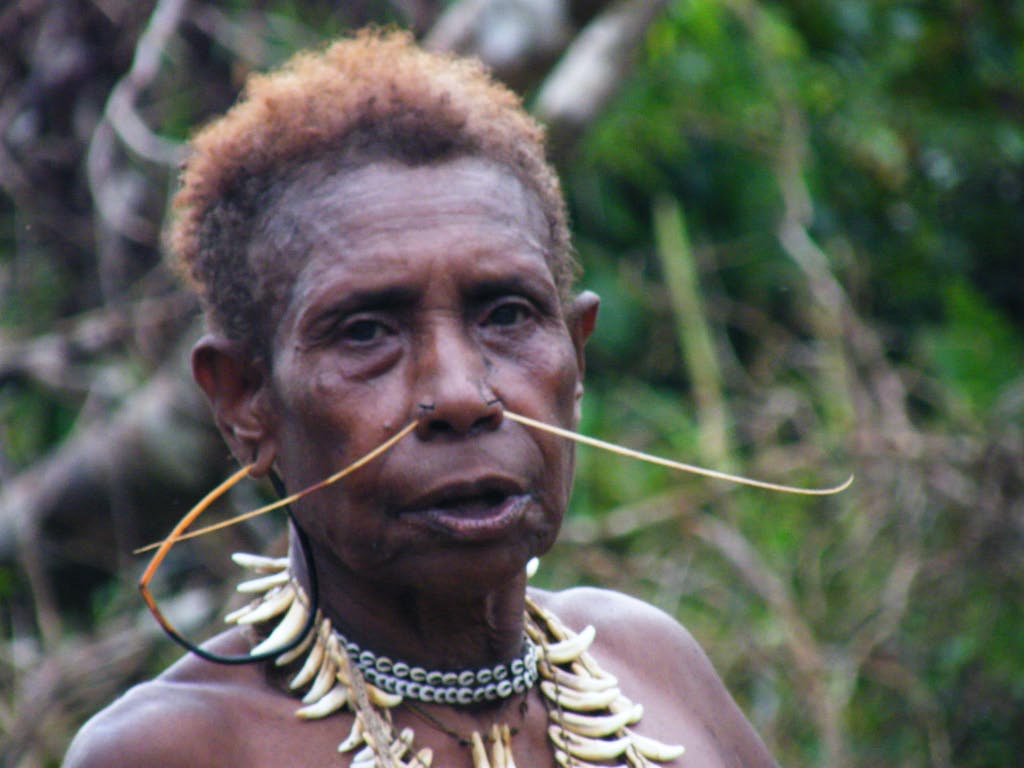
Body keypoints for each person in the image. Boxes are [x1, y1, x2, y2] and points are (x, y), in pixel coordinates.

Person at [63, 30, 775, 768]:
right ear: (244, 399)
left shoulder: (654, 667)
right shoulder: (176, 750)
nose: (462, 395)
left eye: (507, 315)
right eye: (366, 333)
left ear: (576, 356)